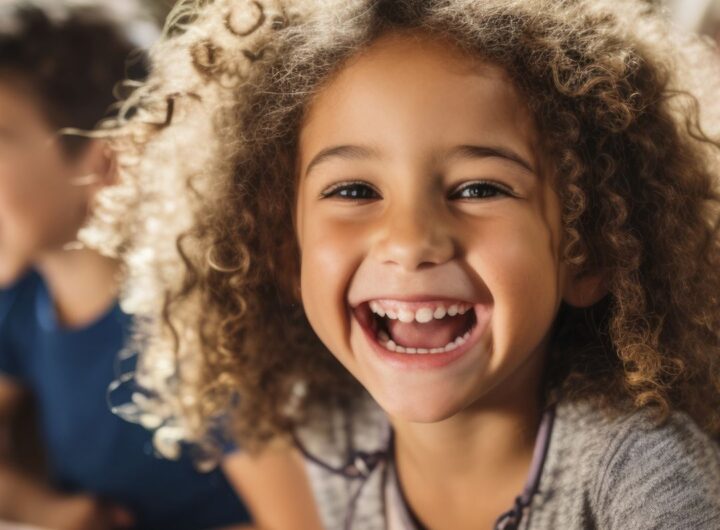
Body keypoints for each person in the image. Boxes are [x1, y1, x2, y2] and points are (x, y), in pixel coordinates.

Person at [85, 0, 720, 528]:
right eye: (355, 191)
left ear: (589, 255)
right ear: (286, 250)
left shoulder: (646, 477)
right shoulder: (327, 430)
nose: (411, 240)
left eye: (479, 188)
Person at [0, 3, 308, 529]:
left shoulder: (201, 323)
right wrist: (44, 510)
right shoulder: (21, 304)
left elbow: (298, 522)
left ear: (104, 166)